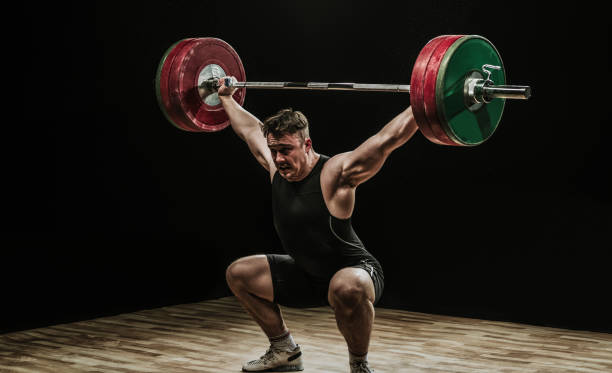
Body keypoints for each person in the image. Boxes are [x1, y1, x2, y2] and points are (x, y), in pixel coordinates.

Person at [218, 76, 418, 373]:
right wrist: (224, 98)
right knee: (239, 274)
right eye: (273, 150)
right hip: (308, 275)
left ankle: (359, 365)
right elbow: (248, 129)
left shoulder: (335, 173)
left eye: (285, 150)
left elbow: (387, 139)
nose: (278, 158)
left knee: (346, 287)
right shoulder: (274, 166)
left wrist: (424, 105)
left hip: (356, 273)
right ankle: (284, 350)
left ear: (307, 144)